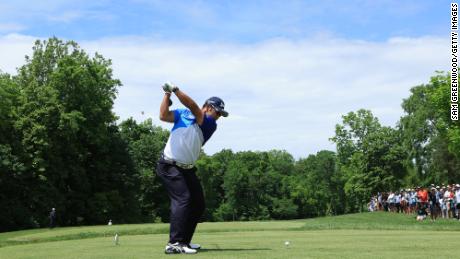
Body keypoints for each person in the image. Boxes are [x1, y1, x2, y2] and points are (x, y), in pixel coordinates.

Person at [156, 83, 228, 254]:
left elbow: (194, 107)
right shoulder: (182, 114)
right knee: (183, 199)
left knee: (198, 204)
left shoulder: (210, 123)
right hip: (169, 165)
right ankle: (174, 243)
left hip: (186, 169)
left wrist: (175, 90)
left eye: (220, 114)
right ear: (209, 107)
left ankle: (184, 242)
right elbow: (163, 115)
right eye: (217, 112)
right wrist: (167, 94)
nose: (218, 116)